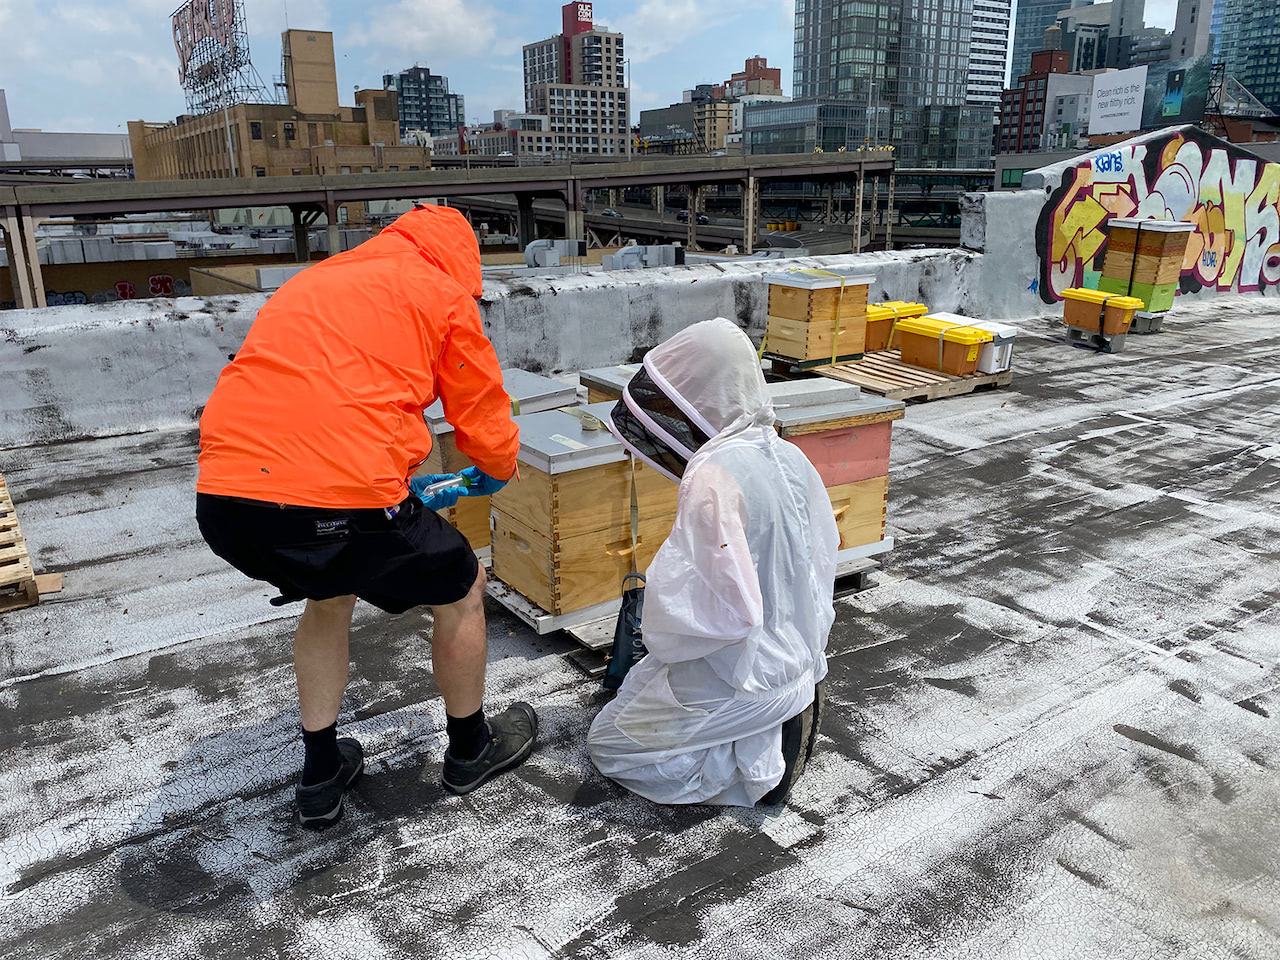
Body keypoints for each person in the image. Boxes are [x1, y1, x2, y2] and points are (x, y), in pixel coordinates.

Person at [195, 205, 536, 828]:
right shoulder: (440, 293)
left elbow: (322, 399)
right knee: (463, 586)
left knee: (330, 592)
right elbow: (480, 407)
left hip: (226, 500)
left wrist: (395, 491)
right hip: (342, 502)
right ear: (461, 260)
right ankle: (470, 750)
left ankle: (320, 776)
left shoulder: (317, 281)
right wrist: (495, 467)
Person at [587, 318, 839, 806]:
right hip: (802, 660)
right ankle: (775, 727)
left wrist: (658, 632)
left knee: (611, 743)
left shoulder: (714, 474)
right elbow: (819, 566)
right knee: (643, 693)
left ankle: (758, 761)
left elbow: (703, 618)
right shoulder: (788, 455)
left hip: (745, 675)